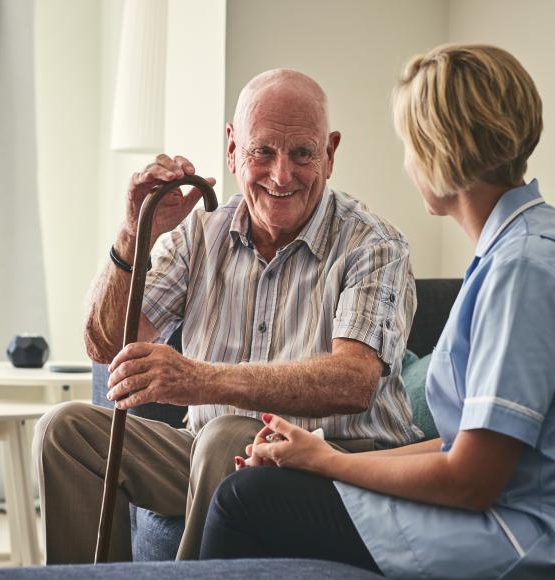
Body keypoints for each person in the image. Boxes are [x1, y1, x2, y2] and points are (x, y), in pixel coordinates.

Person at [33, 68, 420, 564]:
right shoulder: (200, 235)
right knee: (64, 430)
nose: (282, 176)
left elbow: (353, 382)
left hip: (334, 465)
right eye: (263, 151)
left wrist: (202, 380)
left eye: (302, 153)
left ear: (330, 153)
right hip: (205, 453)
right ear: (233, 148)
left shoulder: (373, 244)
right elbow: (106, 346)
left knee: (224, 435)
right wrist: (134, 234)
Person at [199, 45, 555, 579]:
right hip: (495, 510)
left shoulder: (521, 268)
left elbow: (472, 481)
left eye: (409, 144)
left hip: (511, 534)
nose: (407, 161)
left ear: (439, 150)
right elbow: (466, 446)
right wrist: (317, 458)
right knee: (262, 485)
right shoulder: (513, 249)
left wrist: (333, 462)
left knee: (245, 500)